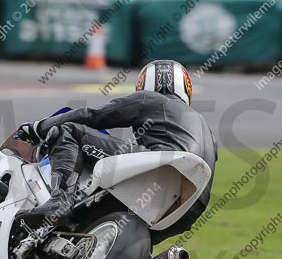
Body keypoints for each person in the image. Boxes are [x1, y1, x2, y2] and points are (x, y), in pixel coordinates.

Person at [17, 59, 217, 245]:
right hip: (191, 207)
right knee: (94, 225)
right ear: (186, 89)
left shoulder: (150, 99)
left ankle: (60, 201)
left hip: (160, 169)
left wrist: (38, 128)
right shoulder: (206, 129)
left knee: (68, 130)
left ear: (143, 86)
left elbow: (91, 117)